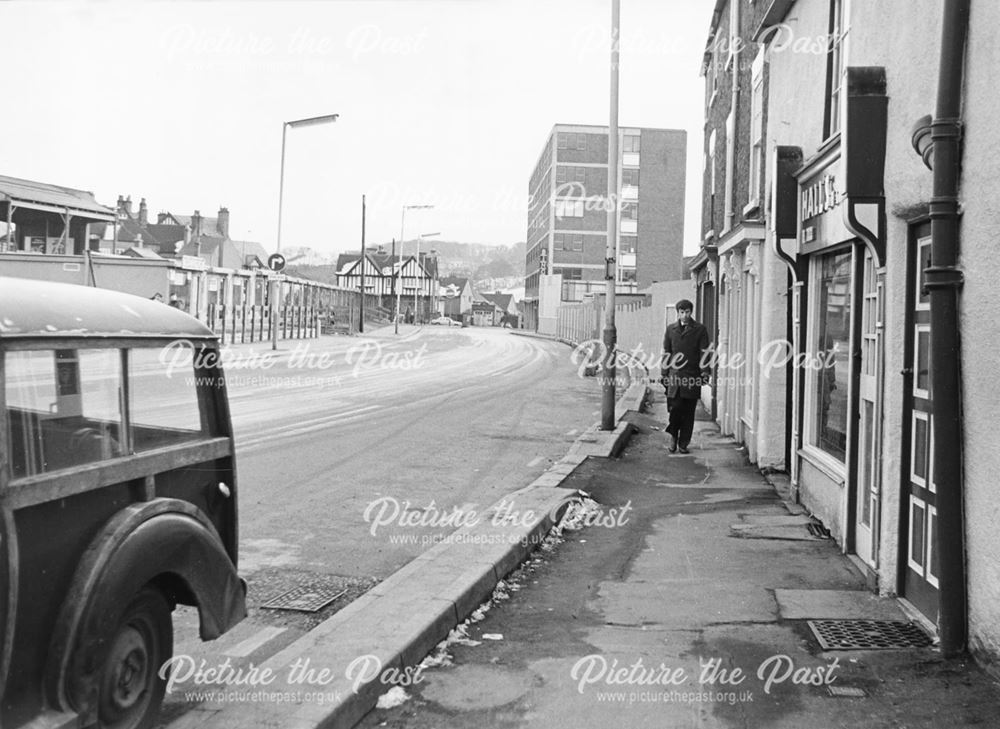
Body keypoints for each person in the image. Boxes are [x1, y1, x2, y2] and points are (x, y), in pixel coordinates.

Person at [660, 299, 711, 454]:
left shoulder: (700, 330)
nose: (685, 315)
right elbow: (667, 352)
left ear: (691, 312)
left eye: (687, 312)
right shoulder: (670, 330)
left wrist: (704, 372)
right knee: (674, 408)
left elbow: (704, 352)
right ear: (678, 313)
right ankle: (673, 436)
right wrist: (664, 373)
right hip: (674, 376)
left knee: (688, 411)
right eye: (682, 312)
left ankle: (683, 443)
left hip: (692, 375)